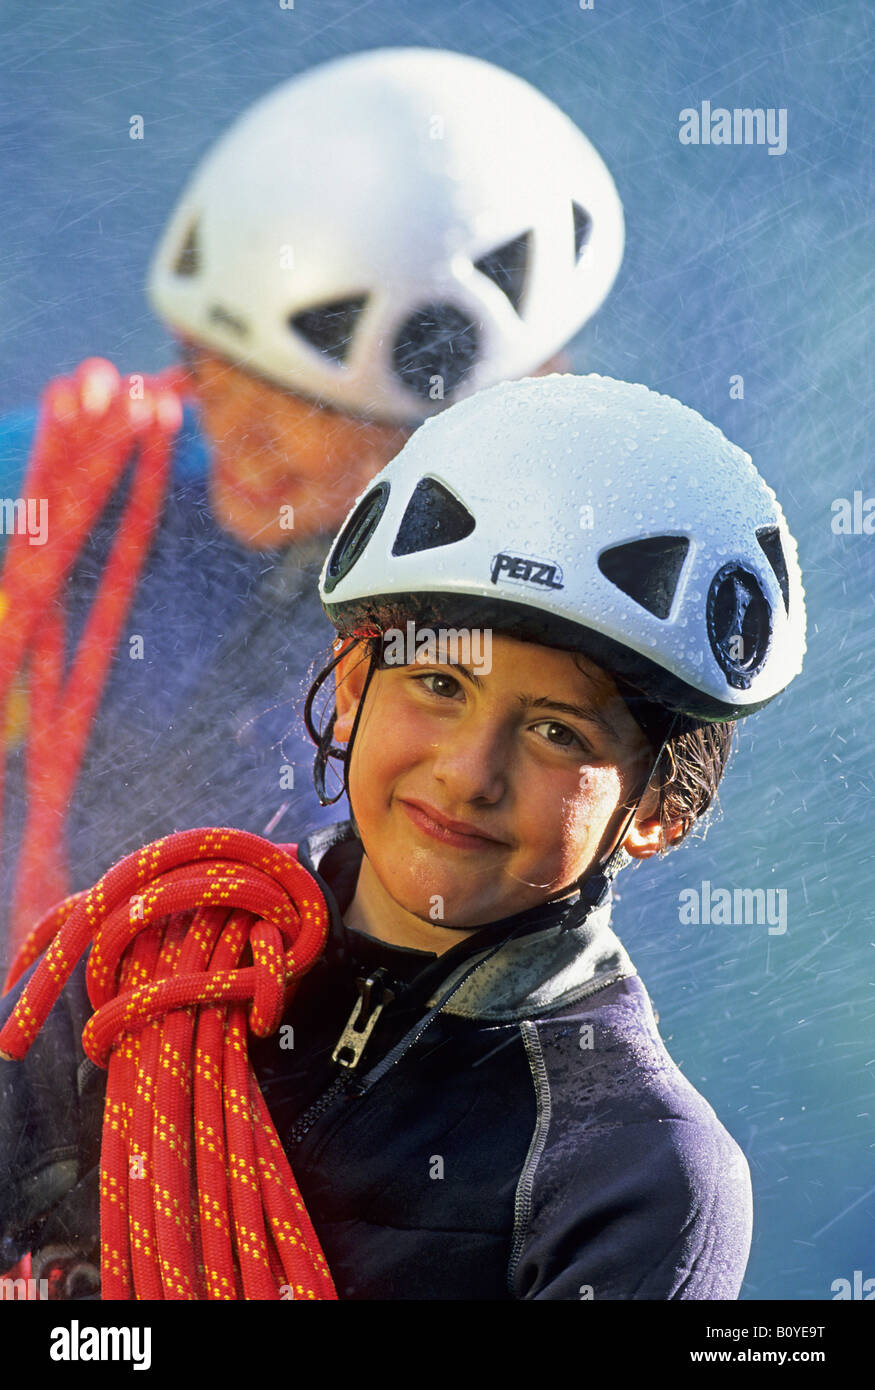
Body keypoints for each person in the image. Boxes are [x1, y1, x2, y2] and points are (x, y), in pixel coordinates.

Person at [0, 373, 806, 1300]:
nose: (469, 772)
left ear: (664, 808)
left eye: (558, 733)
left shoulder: (634, 1178)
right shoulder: (144, 966)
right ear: (350, 680)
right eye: (440, 686)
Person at [0, 47, 624, 953]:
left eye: (303, 401)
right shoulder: (61, 489)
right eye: (210, 361)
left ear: (459, 415)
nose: (232, 423)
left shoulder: (527, 655)